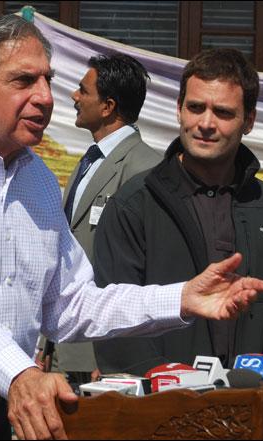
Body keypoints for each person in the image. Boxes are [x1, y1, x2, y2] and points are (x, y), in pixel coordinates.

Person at [0, 17, 263, 441]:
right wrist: (20, 372)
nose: (46, 96)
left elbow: (71, 304)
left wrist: (180, 298)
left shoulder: (37, 178)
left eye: (48, 79)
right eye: (24, 81)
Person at [93, 48, 263, 377]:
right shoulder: (134, 205)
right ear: (179, 110)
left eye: (224, 112)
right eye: (196, 108)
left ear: (249, 120)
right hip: (160, 414)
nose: (205, 124)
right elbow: (112, 317)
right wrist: (175, 392)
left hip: (257, 412)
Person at [43, 53, 163, 389]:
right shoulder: (90, 160)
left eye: (83, 90)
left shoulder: (145, 169)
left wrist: (115, 353)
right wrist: (46, 343)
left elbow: (140, 272)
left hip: (103, 355)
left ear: (108, 106)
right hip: (66, 344)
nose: (74, 97)